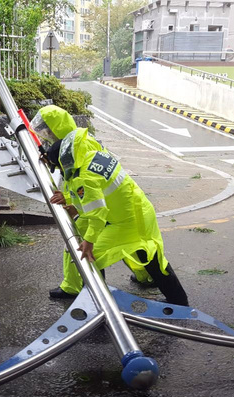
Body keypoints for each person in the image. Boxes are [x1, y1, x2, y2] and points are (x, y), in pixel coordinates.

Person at [30, 105, 189, 307]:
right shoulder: (78, 148)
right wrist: (73, 203)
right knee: (139, 253)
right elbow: (90, 191)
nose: (47, 134)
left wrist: (89, 240)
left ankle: (176, 302)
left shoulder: (81, 166)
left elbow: (93, 205)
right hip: (126, 209)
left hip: (128, 216)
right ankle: (91, 293)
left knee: (136, 254)